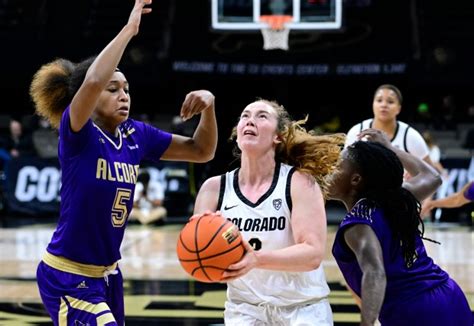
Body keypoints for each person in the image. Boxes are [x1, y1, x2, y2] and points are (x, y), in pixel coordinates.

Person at [29, 1, 218, 324]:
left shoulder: (137, 135)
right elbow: (90, 83)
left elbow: (202, 151)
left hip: (108, 275)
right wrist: (129, 30)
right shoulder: (77, 133)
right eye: (113, 88)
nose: (124, 95)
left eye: (127, 89)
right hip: (67, 276)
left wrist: (210, 108)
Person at [193, 99, 345, 325]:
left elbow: (312, 254)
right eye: (245, 115)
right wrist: (206, 253)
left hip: (302, 308)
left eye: (262, 116)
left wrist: (256, 259)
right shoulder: (213, 189)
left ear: (278, 136)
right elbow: (198, 256)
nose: (250, 120)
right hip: (244, 309)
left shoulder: (299, 182)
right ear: (238, 133)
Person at [328, 128, 472, 326]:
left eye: (336, 166)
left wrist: (366, 323)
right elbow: (432, 177)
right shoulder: (398, 198)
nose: (329, 169)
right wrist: (389, 148)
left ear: (355, 180)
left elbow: (375, 273)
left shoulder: (357, 224)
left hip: (414, 313)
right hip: (449, 294)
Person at [345, 84, 435, 170]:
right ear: (373, 104)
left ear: (399, 109)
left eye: (390, 101)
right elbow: (344, 167)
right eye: (379, 100)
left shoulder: (410, 136)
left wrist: (416, 179)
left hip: (402, 186)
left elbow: (432, 175)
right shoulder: (356, 131)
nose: (384, 105)